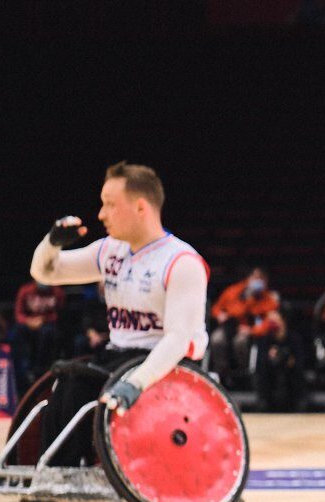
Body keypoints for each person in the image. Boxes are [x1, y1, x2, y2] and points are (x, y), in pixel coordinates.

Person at [28, 161, 209, 466]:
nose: (101, 214)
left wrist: (136, 382)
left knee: (92, 387)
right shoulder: (110, 250)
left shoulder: (181, 262)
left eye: (110, 205)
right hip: (119, 355)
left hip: (167, 362)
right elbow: (45, 273)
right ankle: (52, 471)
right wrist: (52, 243)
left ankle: (71, 471)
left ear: (141, 208)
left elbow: (178, 340)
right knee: (67, 379)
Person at [209, 267, 280, 381]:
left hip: (249, 329)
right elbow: (216, 308)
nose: (258, 281)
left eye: (261, 278)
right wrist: (219, 314)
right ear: (249, 278)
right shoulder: (233, 291)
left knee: (240, 342)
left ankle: (243, 375)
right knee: (217, 339)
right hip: (229, 325)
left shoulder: (269, 299)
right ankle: (222, 374)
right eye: (255, 277)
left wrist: (252, 330)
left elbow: (270, 322)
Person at [9, 278, 66, 387]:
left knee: (49, 333)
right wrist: (28, 321)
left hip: (47, 324)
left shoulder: (57, 292)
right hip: (28, 324)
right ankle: (20, 370)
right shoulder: (25, 290)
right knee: (17, 331)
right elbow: (18, 313)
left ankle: (42, 369)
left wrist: (44, 319)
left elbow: (60, 314)